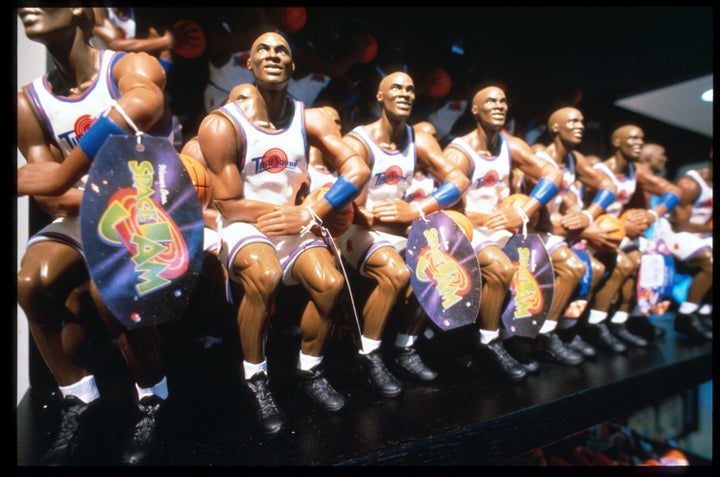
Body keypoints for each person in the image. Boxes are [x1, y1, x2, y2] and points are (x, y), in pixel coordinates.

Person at [16, 7, 176, 465]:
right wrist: (62, 187)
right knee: (30, 284)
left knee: (113, 292)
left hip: (146, 213)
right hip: (84, 212)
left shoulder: (126, 66)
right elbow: (49, 198)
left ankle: (154, 397)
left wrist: (63, 175)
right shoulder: (29, 102)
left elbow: (144, 103)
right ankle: (80, 396)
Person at [195, 31, 370, 435]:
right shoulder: (222, 124)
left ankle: (309, 371)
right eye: (263, 49)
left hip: (297, 221)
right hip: (245, 225)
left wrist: (310, 212)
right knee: (266, 275)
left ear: (293, 66)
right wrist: (293, 213)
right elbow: (229, 205)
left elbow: (357, 170)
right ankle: (256, 379)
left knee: (329, 283)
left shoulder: (310, 117)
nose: (273, 55)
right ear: (249, 64)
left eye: (282, 50)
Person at [334, 70, 470, 393]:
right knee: (396, 273)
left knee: (442, 266)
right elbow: (357, 213)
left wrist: (418, 211)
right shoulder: (359, 141)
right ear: (380, 96)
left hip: (397, 226)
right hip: (356, 230)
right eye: (396, 87)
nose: (405, 93)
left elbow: (459, 181)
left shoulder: (419, 140)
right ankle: (368, 355)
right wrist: (404, 222)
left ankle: (404, 347)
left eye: (410, 89)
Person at [442, 84, 563, 381]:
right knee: (501, 266)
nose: (499, 105)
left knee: (559, 260)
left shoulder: (513, 145)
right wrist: (490, 217)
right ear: (475, 110)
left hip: (502, 226)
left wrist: (524, 211)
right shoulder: (460, 153)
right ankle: (487, 341)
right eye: (490, 101)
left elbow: (553, 175)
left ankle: (521, 336)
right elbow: (446, 212)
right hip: (469, 229)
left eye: (503, 101)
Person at [518, 106, 620, 365]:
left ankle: (565, 329)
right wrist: (584, 228)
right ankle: (544, 335)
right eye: (573, 121)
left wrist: (587, 215)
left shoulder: (574, 158)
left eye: (582, 121)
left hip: (558, 231)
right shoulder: (540, 158)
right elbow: (540, 220)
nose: (580, 125)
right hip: (531, 231)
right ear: (555, 128)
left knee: (595, 268)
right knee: (574, 267)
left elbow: (609, 186)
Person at [579, 124, 686, 351]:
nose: (639, 142)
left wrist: (652, 213)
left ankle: (624, 320)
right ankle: (593, 323)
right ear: (617, 142)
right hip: (595, 233)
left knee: (647, 260)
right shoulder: (599, 172)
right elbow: (585, 210)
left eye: (641, 138)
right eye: (633, 138)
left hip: (619, 232)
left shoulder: (634, 171)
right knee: (624, 264)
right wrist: (618, 226)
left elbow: (674, 192)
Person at [657, 149, 713, 339]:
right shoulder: (690, 184)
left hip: (700, 234)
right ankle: (685, 316)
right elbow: (679, 224)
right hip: (674, 233)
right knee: (710, 262)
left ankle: (704, 311)